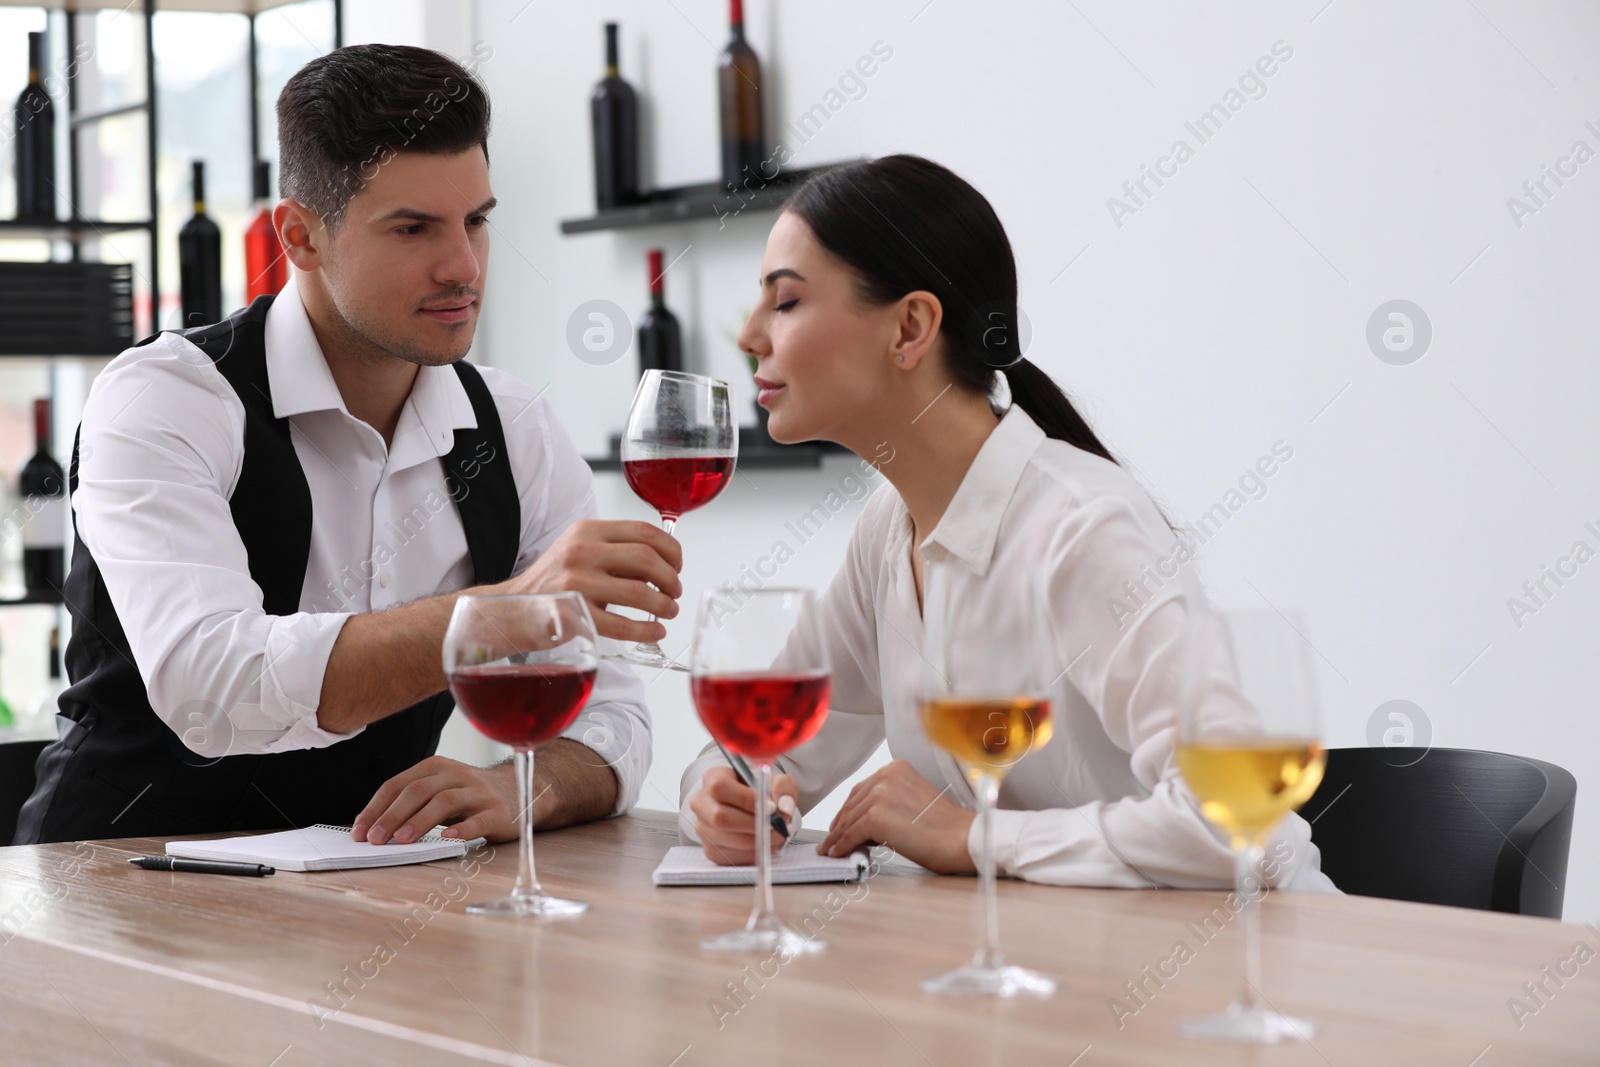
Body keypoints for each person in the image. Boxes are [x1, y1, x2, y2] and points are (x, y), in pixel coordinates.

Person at [15, 45, 680, 847]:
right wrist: (507, 611)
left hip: (369, 893)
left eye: (476, 221)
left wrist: (524, 787)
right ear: (300, 236)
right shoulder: (168, 397)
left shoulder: (515, 426)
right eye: (413, 228)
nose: (463, 266)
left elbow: (612, 712)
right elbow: (213, 688)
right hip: (115, 887)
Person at [678, 155, 1335, 891]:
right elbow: (766, 755)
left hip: (1252, 973)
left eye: (787, 301)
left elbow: (1239, 823)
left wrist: (974, 835)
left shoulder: (1082, 527)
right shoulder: (887, 535)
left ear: (911, 327)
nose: (750, 336)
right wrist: (717, 796)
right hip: (1052, 980)